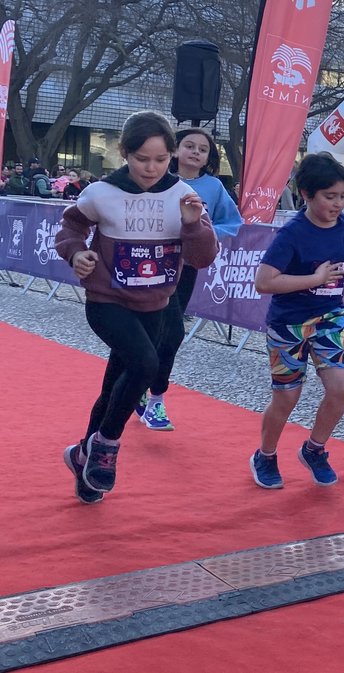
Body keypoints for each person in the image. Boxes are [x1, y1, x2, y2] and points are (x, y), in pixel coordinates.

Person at [55, 111, 218, 504]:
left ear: (172, 156)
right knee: (145, 365)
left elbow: (203, 257)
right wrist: (77, 254)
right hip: (107, 300)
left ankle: (83, 458)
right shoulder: (101, 192)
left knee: (115, 386)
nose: (151, 168)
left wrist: (194, 225)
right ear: (124, 153)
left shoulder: (183, 196)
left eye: (160, 159)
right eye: (141, 158)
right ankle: (107, 446)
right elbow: (70, 229)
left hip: (156, 304)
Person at [250, 152, 344, 489]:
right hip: (289, 324)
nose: (339, 204)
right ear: (307, 194)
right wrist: (314, 279)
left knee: (341, 388)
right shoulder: (291, 234)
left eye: (343, 196)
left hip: (329, 318)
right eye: (330, 197)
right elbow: (264, 281)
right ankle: (265, 456)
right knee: (286, 397)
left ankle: (315, 449)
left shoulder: (343, 224)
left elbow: (342, 258)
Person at [132, 127, 245, 430]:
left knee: (171, 332)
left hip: (186, 267)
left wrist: (205, 236)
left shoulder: (214, 188)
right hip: (151, 263)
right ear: (175, 149)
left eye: (203, 149)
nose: (195, 152)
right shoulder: (157, 179)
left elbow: (232, 222)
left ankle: (154, 397)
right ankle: (138, 386)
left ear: (209, 157)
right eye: (189, 146)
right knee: (153, 328)